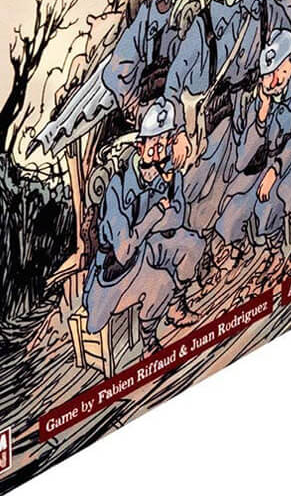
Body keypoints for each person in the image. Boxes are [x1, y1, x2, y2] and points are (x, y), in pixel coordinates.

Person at [164, 0, 291, 240]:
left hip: (254, 100)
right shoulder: (204, 18)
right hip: (216, 110)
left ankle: (237, 237)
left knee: (252, 166)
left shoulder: (262, 1)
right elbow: (175, 78)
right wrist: (178, 131)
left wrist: (275, 78)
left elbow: (285, 34)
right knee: (196, 182)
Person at [84, 98, 204, 353]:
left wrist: (147, 225)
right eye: (152, 147)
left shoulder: (168, 173)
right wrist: (156, 214)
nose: (158, 154)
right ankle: (149, 343)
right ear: (140, 146)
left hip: (144, 249)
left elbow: (178, 217)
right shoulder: (118, 187)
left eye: (163, 144)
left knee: (192, 245)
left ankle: (175, 308)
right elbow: (124, 250)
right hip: (113, 275)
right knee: (161, 283)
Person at [213, 28, 291, 283]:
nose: (274, 80)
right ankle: (269, 253)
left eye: (279, 70)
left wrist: (276, 168)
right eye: (268, 75)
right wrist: (261, 115)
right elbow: (243, 158)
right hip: (269, 163)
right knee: (234, 208)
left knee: (271, 198)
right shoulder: (259, 104)